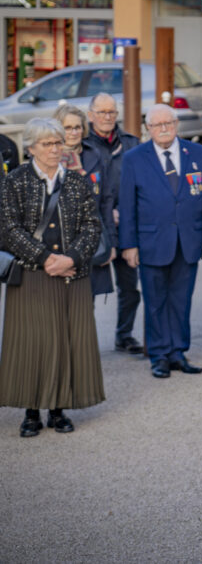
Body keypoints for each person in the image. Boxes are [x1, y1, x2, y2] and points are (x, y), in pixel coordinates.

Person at [0, 118, 104, 437]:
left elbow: (92, 226)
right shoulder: (14, 181)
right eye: (47, 143)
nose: (55, 149)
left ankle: (58, 411)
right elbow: (8, 229)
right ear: (31, 148)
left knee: (67, 341)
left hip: (72, 275)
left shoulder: (77, 182)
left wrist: (70, 258)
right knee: (32, 343)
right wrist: (46, 259)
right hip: (32, 275)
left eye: (59, 142)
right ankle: (31, 412)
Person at [118, 106, 202, 379]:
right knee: (155, 301)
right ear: (147, 129)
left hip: (188, 240)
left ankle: (178, 352)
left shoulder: (196, 154)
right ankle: (159, 355)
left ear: (176, 124)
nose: (163, 128)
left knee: (182, 300)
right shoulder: (134, 158)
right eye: (157, 124)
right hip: (151, 242)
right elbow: (127, 207)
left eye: (168, 122)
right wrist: (128, 245)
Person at [84, 92, 143, 354]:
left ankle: (124, 335)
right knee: (89, 291)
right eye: (101, 112)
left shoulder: (131, 144)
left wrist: (123, 211)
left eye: (112, 112)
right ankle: (84, 341)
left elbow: (143, 186)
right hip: (94, 231)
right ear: (90, 115)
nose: (107, 117)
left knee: (130, 288)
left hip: (126, 227)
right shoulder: (81, 145)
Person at [55, 104, 116, 297]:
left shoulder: (93, 155)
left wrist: (111, 244)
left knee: (86, 307)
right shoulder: (48, 157)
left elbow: (106, 202)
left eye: (78, 127)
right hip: (58, 245)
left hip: (91, 242)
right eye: (68, 128)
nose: (74, 132)